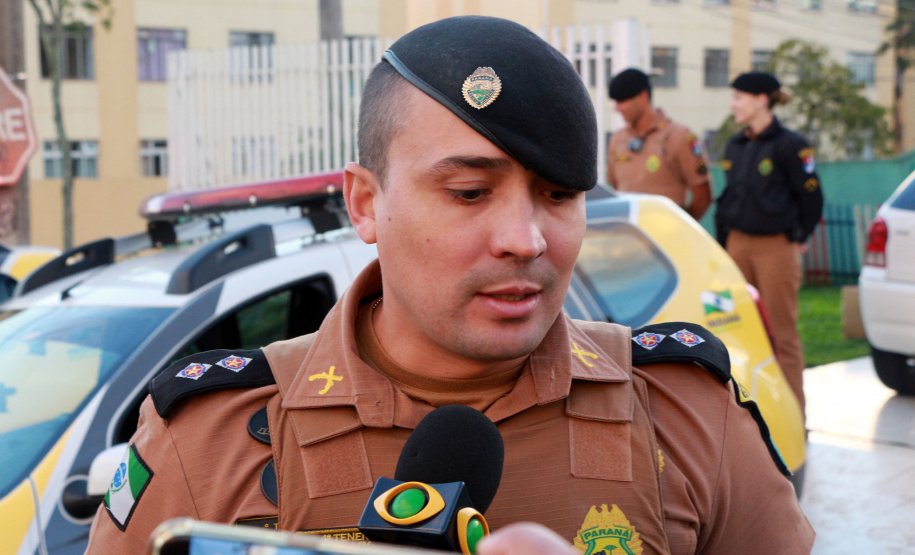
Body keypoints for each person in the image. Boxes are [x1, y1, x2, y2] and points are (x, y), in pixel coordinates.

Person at [85, 17, 814, 555]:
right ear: (365, 203)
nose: (526, 238)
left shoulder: (684, 412)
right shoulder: (210, 440)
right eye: (469, 192)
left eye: (558, 195)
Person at [715, 72, 824, 421]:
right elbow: (729, 196)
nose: (733, 104)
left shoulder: (791, 145)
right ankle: (746, 419)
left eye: (739, 98)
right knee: (735, 331)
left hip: (775, 247)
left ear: (761, 100)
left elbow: (812, 197)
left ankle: (794, 421)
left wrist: (797, 237)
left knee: (782, 334)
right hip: (737, 245)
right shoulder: (736, 145)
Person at [606, 68, 712, 221]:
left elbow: (703, 193)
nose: (617, 108)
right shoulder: (618, 139)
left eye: (622, 101)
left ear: (642, 97)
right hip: (628, 237)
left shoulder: (679, 136)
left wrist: (682, 227)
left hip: (666, 238)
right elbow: (615, 187)